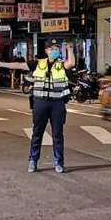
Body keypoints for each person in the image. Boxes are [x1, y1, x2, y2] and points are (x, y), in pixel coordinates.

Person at [27, 39, 74, 174]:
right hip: (40, 103)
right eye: (53, 48)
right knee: (37, 133)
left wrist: (70, 48)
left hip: (57, 104)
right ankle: (33, 160)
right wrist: (1, 63)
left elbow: (71, 63)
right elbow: (20, 65)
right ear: (47, 50)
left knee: (57, 134)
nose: (55, 51)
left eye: (57, 49)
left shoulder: (61, 64)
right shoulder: (38, 63)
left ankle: (59, 162)